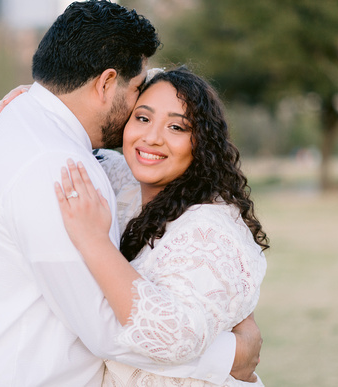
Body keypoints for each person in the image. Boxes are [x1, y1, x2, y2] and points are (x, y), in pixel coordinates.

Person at [0, 1, 261, 386]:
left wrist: (45, 91)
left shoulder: (32, 126)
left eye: (176, 127)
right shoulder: (59, 169)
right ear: (107, 83)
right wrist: (232, 355)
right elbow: (108, 328)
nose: (140, 120)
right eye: (138, 98)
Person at [53, 68, 268, 386]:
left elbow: (173, 338)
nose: (152, 137)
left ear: (202, 143)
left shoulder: (207, 230)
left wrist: (94, 241)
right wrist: (41, 101)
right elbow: (74, 114)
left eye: (177, 127)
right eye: (142, 118)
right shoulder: (123, 181)